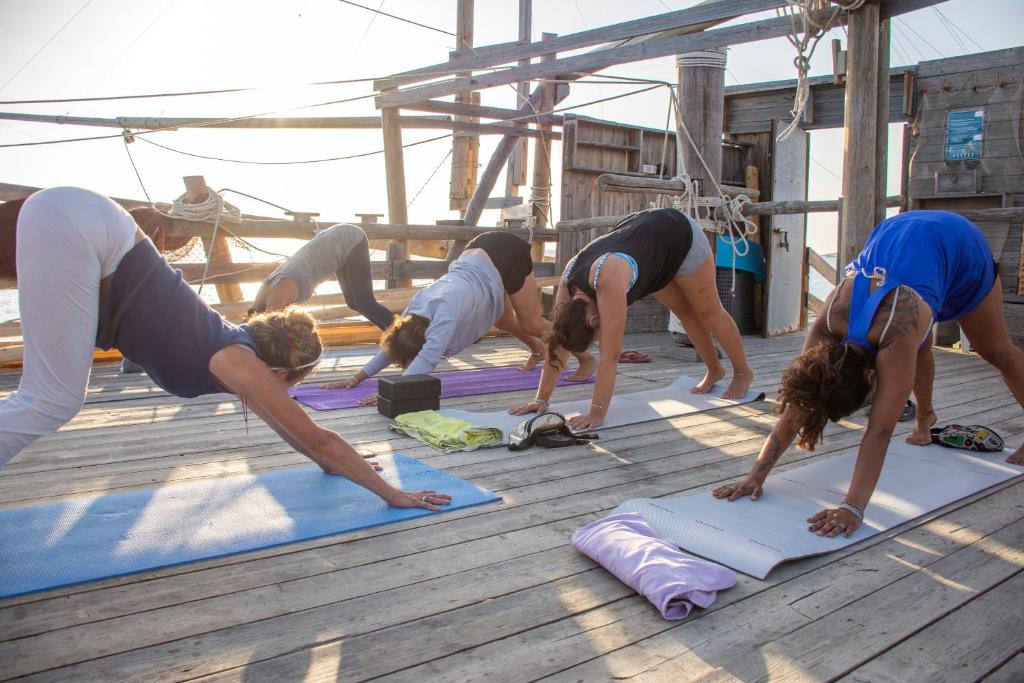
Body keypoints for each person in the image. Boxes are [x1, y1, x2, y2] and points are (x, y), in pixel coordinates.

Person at [0, 187, 449, 511]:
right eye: (291, 385)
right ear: (279, 373)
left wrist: (329, 465)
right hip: (85, 226)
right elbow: (318, 435)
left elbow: (290, 428)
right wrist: (392, 493)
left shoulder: (234, 351)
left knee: (50, 396)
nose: (284, 395)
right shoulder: (238, 359)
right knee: (54, 398)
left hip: (78, 218)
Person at [712, 210, 1024, 538]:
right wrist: (755, 476)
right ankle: (925, 417)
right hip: (900, 236)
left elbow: (878, 431)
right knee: (918, 341)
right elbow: (797, 405)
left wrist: (852, 506)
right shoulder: (826, 328)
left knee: (996, 351)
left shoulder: (896, 335)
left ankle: (927, 416)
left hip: (957, 242)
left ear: (872, 378)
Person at [509, 208, 754, 430]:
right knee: (685, 313)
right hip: (649, 249)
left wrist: (596, 414)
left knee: (708, 312)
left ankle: (742, 373)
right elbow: (557, 342)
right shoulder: (568, 286)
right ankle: (716, 370)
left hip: (679, 236)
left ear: (594, 320)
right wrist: (541, 399)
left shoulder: (608, 279)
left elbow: (610, 357)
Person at [330, 230, 595, 401]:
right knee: (502, 319)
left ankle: (585, 358)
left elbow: (428, 358)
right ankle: (538, 349)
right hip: (479, 251)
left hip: (506, 253)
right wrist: (357, 377)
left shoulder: (444, 318)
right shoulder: (414, 312)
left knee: (531, 321)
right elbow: (392, 346)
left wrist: (393, 391)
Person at [248, 223, 395, 330]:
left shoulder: (279, 291)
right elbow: (251, 319)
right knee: (353, 303)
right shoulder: (263, 293)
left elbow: (273, 329)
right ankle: (393, 335)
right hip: (337, 245)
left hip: (349, 239)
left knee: (365, 303)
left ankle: (405, 336)